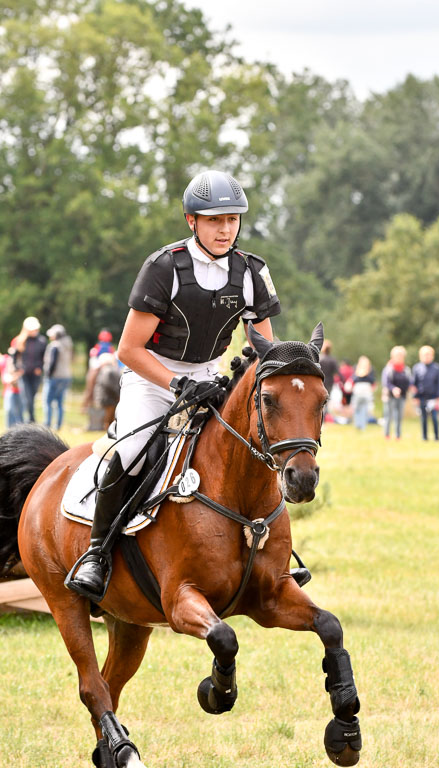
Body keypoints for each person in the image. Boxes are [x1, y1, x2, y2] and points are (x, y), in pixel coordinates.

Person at [67, 169, 281, 599]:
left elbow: (264, 346)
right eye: (214, 220)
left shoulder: (252, 271)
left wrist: (245, 372)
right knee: (128, 453)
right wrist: (176, 383)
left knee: (253, 449)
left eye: (232, 220)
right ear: (191, 221)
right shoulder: (164, 267)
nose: (225, 230)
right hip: (151, 377)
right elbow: (129, 349)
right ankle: (97, 553)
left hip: (211, 377)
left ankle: (273, 559)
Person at [15, 316, 47, 423]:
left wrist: (40, 368)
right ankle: (30, 419)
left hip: (35, 375)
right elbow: (14, 357)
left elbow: (45, 358)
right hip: (24, 375)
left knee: (32, 398)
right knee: (27, 398)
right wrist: (18, 368)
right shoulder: (21, 341)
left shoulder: (42, 341)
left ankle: (31, 419)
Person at [42, 324, 73, 431]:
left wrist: (48, 374)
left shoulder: (55, 346)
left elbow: (52, 363)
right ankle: (58, 425)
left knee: (48, 401)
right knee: (60, 402)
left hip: (55, 377)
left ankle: (47, 424)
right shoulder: (68, 344)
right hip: (66, 376)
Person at [83, 352, 122, 431]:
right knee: (107, 420)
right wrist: (118, 396)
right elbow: (110, 386)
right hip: (108, 399)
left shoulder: (103, 370)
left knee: (105, 419)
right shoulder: (109, 371)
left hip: (104, 398)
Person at [411, 345, 439, 441]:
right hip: (421, 397)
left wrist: (438, 397)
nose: (427, 357)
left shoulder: (437, 368)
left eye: (428, 355)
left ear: (432, 356)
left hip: (433, 397)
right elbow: (414, 384)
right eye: (424, 355)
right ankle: (424, 437)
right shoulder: (417, 368)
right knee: (423, 418)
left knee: (434, 418)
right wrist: (415, 397)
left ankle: (437, 437)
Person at [381, 345, 411, 439]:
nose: (399, 358)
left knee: (399, 417)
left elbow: (409, 382)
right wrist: (393, 389)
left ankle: (398, 435)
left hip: (401, 396)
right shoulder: (388, 369)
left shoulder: (406, 370)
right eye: (397, 356)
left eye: (401, 356)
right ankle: (387, 434)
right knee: (388, 416)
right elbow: (386, 382)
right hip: (390, 396)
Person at [0, 340, 24, 428]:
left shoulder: (24, 360)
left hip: (21, 391)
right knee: (9, 412)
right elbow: (5, 376)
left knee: (19, 414)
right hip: (10, 390)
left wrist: (17, 376)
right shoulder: (8, 360)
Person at [350, 355, 376, 430]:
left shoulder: (357, 370)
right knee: (364, 409)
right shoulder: (370, 370)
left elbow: (353, 380)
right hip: (367, 391)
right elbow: (373, 382)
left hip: (358, 391)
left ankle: (358, 424)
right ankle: (363, 426)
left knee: (357, 409)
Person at [319, 340, 339, 419]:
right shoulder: (333, 360)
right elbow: (337, 373)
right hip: (329, 383)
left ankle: (319, 418)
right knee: (326, 402)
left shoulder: (319, 358)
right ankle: (323, 418)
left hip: (320, 381)